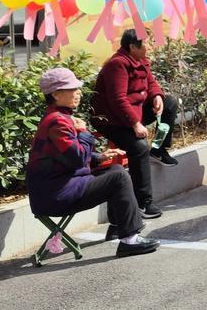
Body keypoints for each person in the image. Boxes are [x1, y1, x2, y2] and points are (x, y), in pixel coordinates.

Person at [27, 67, 157, 257]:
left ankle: (117, 227)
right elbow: (76, 158)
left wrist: (98, 157)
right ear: (56, 94)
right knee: (118, 177)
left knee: (115, 170)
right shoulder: (58, 121)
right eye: (72, 89)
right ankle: (129, 239)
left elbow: (66, 157)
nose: (78, 92)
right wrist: (84, 133)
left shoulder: (59, 117)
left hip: (60, 187)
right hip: (56, 195)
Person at [91, 30, 179, 218]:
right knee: (139, 148)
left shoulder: (141, 61)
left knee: (170, 103)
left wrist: (156, 96)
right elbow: (117, 100)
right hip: (112, 120)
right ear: (132, 46)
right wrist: (135, 124)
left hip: (134, 112)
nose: (150, 46)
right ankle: (143, 203)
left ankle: (159, 149)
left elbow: (151, 83)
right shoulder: (117, 64)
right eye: (146, 43)